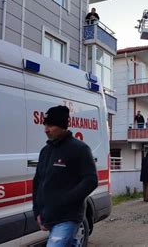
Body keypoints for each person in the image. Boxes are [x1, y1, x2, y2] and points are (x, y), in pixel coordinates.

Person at [32, 105, 98, 246]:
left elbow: (91, 180)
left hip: (68, 216)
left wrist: (65, 200)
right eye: (45, 125)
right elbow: (37, 182)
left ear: (62, 125)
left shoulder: (80, 149)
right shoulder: (45, 151)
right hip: (49, 215)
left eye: (50, 125)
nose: (46, 130)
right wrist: (37, 211)